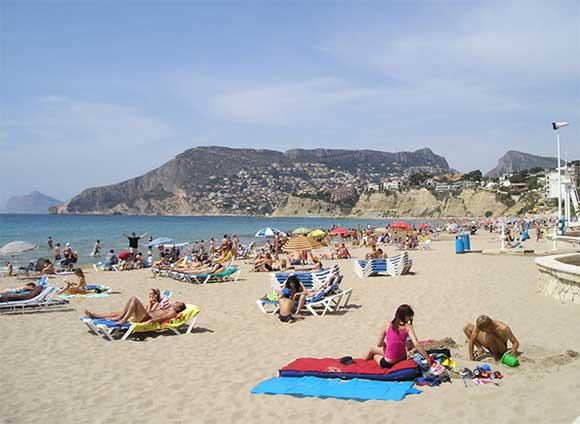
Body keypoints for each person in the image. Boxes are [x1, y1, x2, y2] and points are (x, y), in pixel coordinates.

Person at [366, 304, 431, 368]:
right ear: (405, 316)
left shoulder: (387, 325)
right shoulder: (408, 327)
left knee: (374, 353)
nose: (409, 319)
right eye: (409, 316)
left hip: (388, 363)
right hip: (402, 358)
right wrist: (427, 357)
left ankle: (361, 363)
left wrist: (385, 344)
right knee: (386, 349)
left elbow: (379, 344)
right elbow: (417, 344)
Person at [85, 298, 186, 325]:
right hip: (145, 315)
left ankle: (123, 319)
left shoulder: (172, 312)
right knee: (114, 313)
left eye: (178, 303)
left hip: (144, 318)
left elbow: (161, 318)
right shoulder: (168, 308)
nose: (176, 301)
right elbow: (155, 311)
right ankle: (95, 315)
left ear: (178, 308)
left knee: (134, 299)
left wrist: (150, 321)